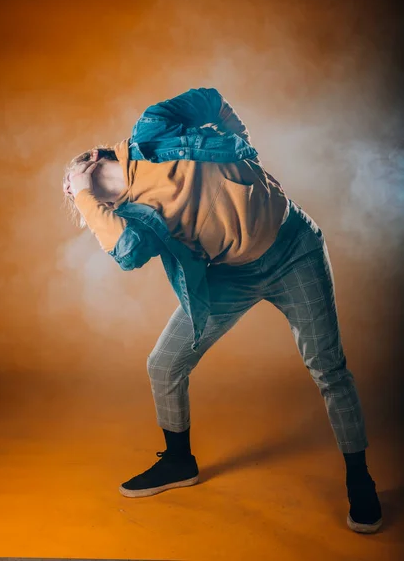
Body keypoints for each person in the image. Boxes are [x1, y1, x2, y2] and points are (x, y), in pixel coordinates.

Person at [62, 88, 382, 533]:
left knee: (327, 366)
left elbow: (211, 100)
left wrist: (243, 151)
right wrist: (82, 196)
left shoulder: (153, 129)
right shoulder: (133, 216)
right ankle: (179, 462)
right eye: (70, 191)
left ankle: (360, 478)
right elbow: (128, 253)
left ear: (96, 157)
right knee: (164, 364)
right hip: (233, 275)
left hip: (295, 251)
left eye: (73, 175)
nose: (70, 186)